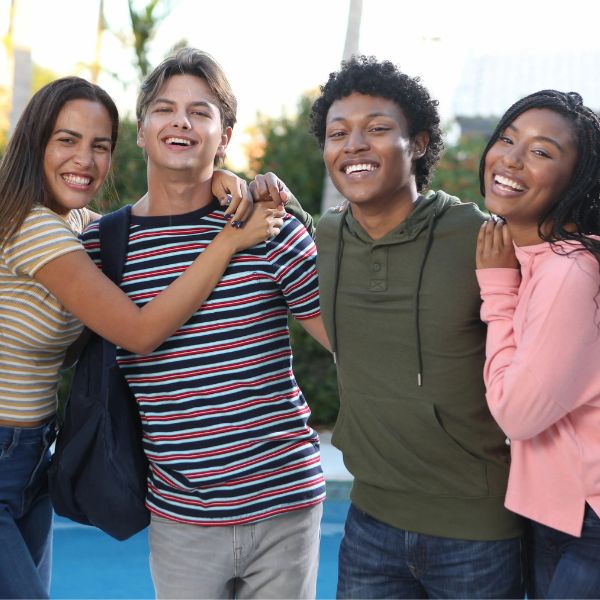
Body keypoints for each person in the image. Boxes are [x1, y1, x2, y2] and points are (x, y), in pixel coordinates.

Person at [0, 76, 283, 600]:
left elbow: (151, 218)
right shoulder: (33, 228)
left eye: (98, 145)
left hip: (29, 456)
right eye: (66, 140)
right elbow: (139, 331)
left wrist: (218, 175)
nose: (84, 159)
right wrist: (229, 242)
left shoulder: (78, 227)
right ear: (35, 142)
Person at [80, 48, 330, 600]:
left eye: (201, 111)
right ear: (141, 131)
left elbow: (343, 339)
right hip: (180, 514)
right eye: (165, 109)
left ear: (226, 135)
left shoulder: (270, 225)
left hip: (285, 501)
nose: (181, 122)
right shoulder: (101, 245)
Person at [308, 55, 524, 598]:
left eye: (378, 129)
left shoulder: (479, 236)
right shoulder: (325, 239)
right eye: (339, 133)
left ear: (420, 143)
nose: (354, 144)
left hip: (477, 533)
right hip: (369, 522)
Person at [476, 89, 600, 599]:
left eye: (541, 151)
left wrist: (497, 290)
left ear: (578, 179)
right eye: (508, 139)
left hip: (587, 522)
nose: (511, 159)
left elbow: (518, 414)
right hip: (557, 514)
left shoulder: (570, 273)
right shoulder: (534, 257)